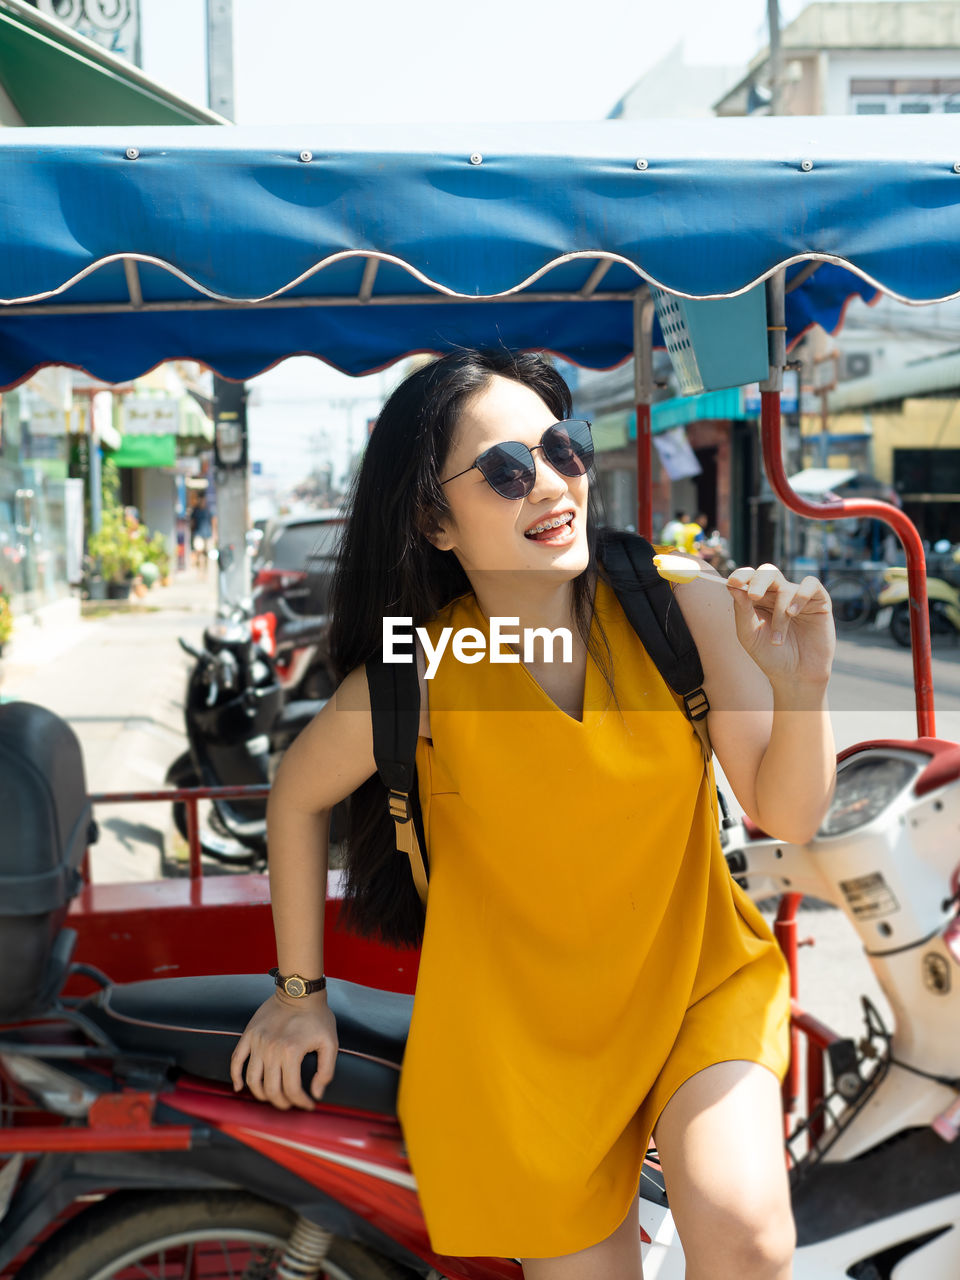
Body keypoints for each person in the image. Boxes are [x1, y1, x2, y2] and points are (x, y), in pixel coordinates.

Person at [230, 349, 837, 1280]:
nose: (553, 485)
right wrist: (298, 994)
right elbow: (297, 793)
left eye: (564, 450)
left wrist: (804, 692)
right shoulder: (417, 670)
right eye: (508, 472)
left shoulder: (680, 608)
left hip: (695, 990)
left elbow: (786, 810)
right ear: (436, 520)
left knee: (746, 1234)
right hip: (518, 1053)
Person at [190, 495, 213, 568]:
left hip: (207, 534)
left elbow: (213, 521)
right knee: (199, 551)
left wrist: (214, 534)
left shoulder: (208, 510)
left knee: (207, 553)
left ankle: (205, 569)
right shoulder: (196, 510)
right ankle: (200, 567)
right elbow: (192, 522)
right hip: (198, 533)